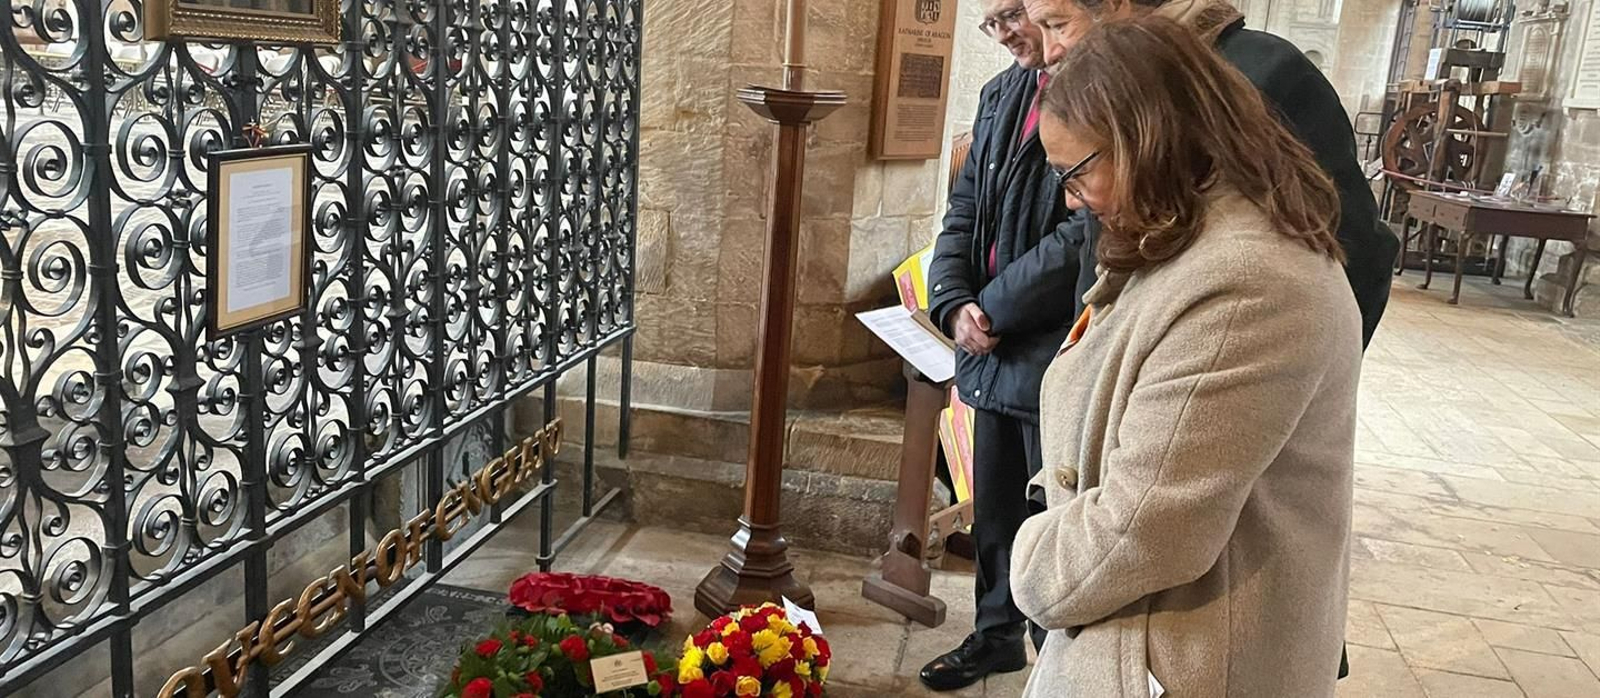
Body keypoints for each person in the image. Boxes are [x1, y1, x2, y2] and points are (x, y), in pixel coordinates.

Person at [1011, 16, 1361, 696]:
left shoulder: (1247, 284)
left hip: (1190, 660)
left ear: (1148, 138)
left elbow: (1146, 528)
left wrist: (1030, 559)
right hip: (1144, 637)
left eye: (1077, 172)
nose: (1072, 200)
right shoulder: (1186, 238)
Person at [1023, 0, 1397, 347]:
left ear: (1113, 4)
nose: (1049, 50)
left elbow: (1353, 247)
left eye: (1056, 24)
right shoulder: (1110, 92)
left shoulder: (1266, 74)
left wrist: (1283, 375)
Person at [921, 0, 1084, 691]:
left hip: (1055, 346)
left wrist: (993, 306)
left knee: (1057, 518)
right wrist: (953, 301)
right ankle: (995, 636)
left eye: (1016, 13)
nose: (1010, 32)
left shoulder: (1094, 96)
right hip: (989, 346)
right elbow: (963, 213)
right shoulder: (999, 95)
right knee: (995, 510)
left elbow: (1083, 235)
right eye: (992, 21)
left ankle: (1060, 657)